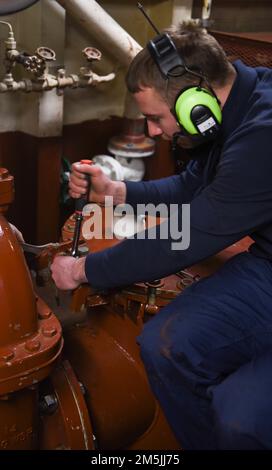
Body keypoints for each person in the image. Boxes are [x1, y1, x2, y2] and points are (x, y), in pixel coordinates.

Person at [51, 22, 272, 449]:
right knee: (163, 345)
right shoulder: (238, 105)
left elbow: (188, 233)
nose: (153, 131)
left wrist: (82, 269)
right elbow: (194, 187)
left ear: (195, 101)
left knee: (239, 416)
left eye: (156, 118)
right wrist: (119, 193)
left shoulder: (264, 134)